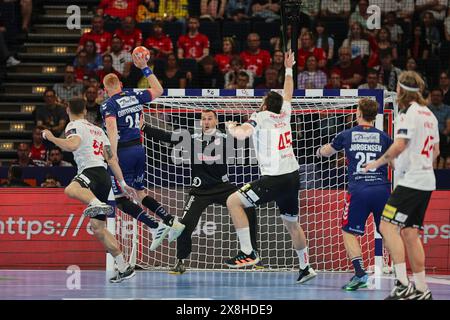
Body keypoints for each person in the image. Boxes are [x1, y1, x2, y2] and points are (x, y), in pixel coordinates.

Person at [224, 50, 317, 283]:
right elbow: (288, 91)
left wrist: (231, 127)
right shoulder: (284, 112)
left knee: (233, 201)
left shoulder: (261, 116)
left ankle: (248, 252)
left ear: (265, 104)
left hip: (274, 179)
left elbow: (242, 135)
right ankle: (306, 267)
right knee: (292, 223)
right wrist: (288, 68)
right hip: (293, 177)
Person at [141, 109, 262, 274]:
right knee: (183, 225)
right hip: (199, 190)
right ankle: (180, 261)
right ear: (200, 122)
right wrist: (144, 128)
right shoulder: (190, 136)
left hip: (223, 187)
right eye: (203, 119)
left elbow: (247, 136)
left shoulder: (227, 135)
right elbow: (167, 136)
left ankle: (252, 254)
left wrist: (245, 124)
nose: (206, 121)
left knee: (249, 208)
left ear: (216, 121)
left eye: (210, 118)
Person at [41, 98, 136, 283]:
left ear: (68, 109)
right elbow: (112, 159)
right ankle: (123, 266)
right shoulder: (99, 130)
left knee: (71, 189)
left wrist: (51, 137)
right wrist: (123, 183)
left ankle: (96, 203)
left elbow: (72, 145)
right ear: (85, 110)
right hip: (104, 177)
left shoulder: (74, 125)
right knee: (98, 228)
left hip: (90, 172)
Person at [364, 71, 440, 300]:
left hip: (411, 182)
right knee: (410, 233)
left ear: (402, 91)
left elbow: (399, 145)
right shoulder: (430, 115)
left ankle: (401, 283)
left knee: (387, 227)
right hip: (426, 180)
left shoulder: (409, 114)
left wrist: (377, 162)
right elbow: (435, 151)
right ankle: (422, 289)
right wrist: (413, 163)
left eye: (397, 88)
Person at [101, 52, 185, 250]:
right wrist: (144, 68)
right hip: (140, 151)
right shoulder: (134, 95)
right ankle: (171, 221)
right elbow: (159, 90)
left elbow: (112, 129)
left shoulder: (108, 104)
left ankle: (155, 226)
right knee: (140, 192)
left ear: (106, 90)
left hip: (123, 153)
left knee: (120, 198)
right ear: (120, 84)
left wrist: (112, 157)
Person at [316, 98, 392, 290]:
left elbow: (327, 152)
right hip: (383, 189)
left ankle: (360, 274)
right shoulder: (384, 137)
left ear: (358, 113)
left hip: (359, 190)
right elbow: (394, 163)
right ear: (374, 116)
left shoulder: (346, 134)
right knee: (388, 232)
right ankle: (400, 275)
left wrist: (319, 151)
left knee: (348, 232)